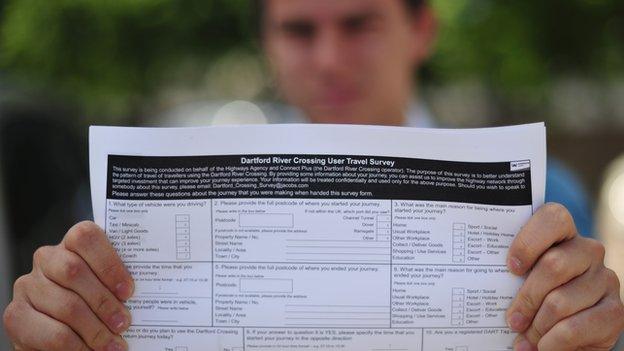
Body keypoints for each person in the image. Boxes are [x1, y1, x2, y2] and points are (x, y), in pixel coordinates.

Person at [3, 1, 624, 350]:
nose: (329, 59)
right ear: (268, 45)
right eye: (300, 31)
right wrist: (61, 325)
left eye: (358, 24)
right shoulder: (140, 211)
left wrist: (589, 332)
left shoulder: (549, 196)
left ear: (422, 29)